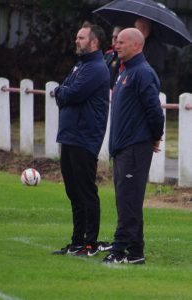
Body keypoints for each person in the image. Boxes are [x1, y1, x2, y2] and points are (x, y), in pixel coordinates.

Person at [103, 28, 164, 264]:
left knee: (128, 201)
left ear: (137, 45)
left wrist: (155, 137)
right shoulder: (124, 72)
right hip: (122, 147)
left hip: (135, 147)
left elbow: (154, 111)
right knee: (128, 200)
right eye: (116, 41)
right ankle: (136, 253)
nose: (116, 45)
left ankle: (118, 251)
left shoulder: (143, 73)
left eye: (121, 42)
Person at [52, 22, 111, 256]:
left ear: (94, 42)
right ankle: (76, 241)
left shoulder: (96, 67)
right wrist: (62, 92)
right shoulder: (80, 65)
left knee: (85, 191)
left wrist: (61, 92)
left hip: (84, 137)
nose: (77, 41)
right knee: (73, 192)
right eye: (77, 37)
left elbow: (71, 93)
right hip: (69, 136)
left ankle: (90, 243)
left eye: (81, 38)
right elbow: (64, 91)